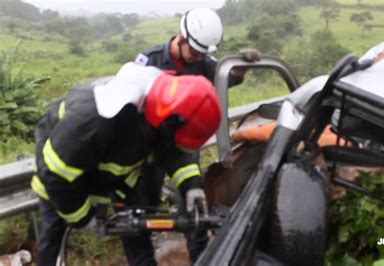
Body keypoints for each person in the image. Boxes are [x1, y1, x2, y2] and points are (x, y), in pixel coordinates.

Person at [30, 62, 221, 266]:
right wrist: (83, 218)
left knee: (136, 229)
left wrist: (191, 184)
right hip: (63, 177)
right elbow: (57, 176)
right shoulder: (95, 119)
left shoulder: (161, 107)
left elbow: (171, 148)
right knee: (53, 234)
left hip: (120, 178)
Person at [135, 8, 260, 262]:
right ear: (181, 37)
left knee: (193, 202)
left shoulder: (201, 61)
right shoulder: (150, 60)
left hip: (183, 144)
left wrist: (239, 69)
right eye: (193, 52)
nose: (196, 58)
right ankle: (143, 254)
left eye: (202, 54)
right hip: (149, 145)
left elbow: (223, 78)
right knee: (144, 207)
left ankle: (201, 256)